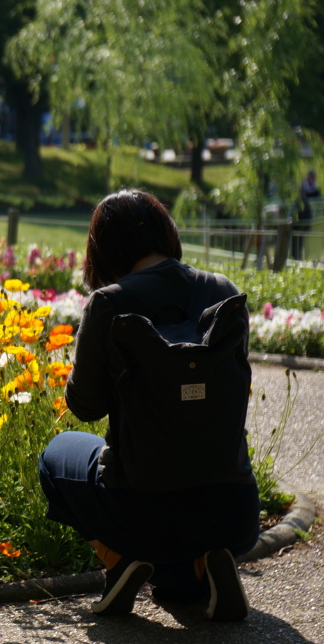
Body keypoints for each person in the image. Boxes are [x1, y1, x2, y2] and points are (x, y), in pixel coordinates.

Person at [38, 189, 259, 621]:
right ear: (167, 232)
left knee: (56, 454)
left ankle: (121, 562)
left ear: (101, 250)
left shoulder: (110, 303)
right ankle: (199, 569)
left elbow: (84, 406)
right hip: (236, 514)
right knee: (183, 549)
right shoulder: (224, 292)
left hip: (142, 510)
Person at [294, 169, 319, 260]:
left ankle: (302, 256)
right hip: (300, 224)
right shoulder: (300, 200)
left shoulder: (312, 184)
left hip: (304, 224)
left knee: (305, 241)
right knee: (299, 241)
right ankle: (298, 256)